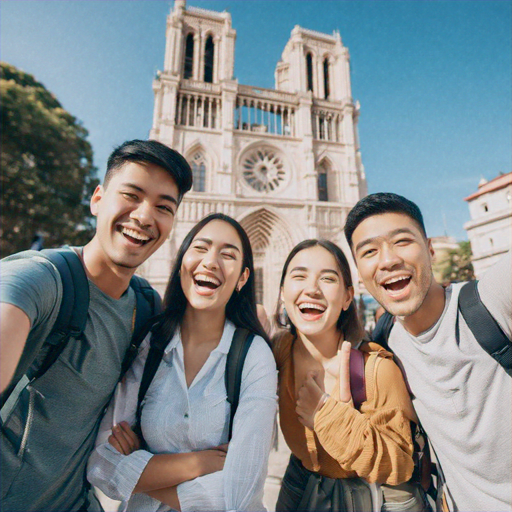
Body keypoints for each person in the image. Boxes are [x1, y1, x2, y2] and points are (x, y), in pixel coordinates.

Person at [0, 139, 193, 511]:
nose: (143, 215)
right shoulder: (39, 279)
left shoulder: (146, 306)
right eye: (132, 195)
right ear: (97, 198)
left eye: (163, 207)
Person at [88, 213, 278, 512]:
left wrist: (142, 466)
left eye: (228, 254)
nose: (211, 262)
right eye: (200, 248)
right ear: (181, 263)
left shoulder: (254, 355)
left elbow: (240, 495)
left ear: (243, 277)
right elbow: (100, 463)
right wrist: (198, 463)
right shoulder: (151, 345)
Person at [344, 192, 511, 512]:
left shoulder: (493, 299)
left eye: (402, 241)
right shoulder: (384, 345)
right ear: (360, 277)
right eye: (369, 251)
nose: (388, 259)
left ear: (430, 249)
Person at [273, 239, 428, 512]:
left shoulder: (375, 369)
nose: (312, 289)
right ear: (282, 292)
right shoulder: (277, 352)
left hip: (365, 499)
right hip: (297, 485)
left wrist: (327, 417)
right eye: (299, 276)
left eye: (328, 279)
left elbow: (400, 463)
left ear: (347, 297)